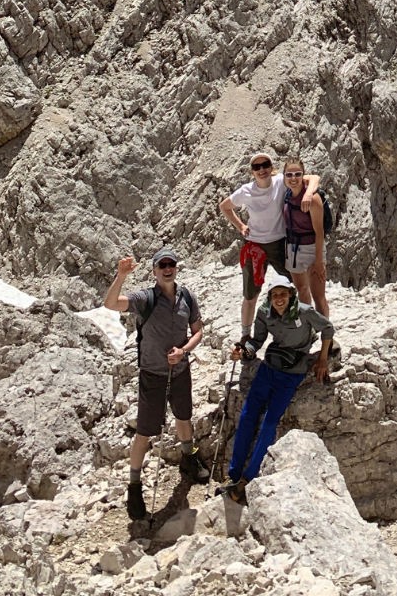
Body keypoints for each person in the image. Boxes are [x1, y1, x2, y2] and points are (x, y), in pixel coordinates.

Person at [103, 249, 209, 520]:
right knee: (145, 431)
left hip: (180, 370)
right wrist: (121, 276)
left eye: (171, 264)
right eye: (162, 265)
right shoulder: (144, 298)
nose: (167, 268)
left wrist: (183, 351)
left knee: (184, 417)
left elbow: (198, 331)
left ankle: (188, 458)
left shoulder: (187, 297)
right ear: (154, 271)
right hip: (153, 373)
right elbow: (111, 304)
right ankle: (135, 486)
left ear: (176, 268)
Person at [220, 272, 334, 503]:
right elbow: (258, 340)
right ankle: (233, 474)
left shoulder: (303, 311)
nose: (279, 299)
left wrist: (322, 358)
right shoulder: (264, 313)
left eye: (283, 294)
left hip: (292, 373)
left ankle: (247, 479)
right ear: (270, 297)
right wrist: (245, 351)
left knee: (270, 422)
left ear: (290, 295)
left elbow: (328, 329)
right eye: (275, 295)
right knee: (248, 415)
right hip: (269, 368)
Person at [219, 151, 319, 338]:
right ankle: (246, 335)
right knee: (250, 295)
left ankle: (306, 327)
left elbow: (313, 177)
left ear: (271, 168)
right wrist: (240, 225)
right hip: (255, 246)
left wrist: (309, 193)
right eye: (256, 167)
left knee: (300, 286)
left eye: (265, 165)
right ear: (252, 172)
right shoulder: (246, 191)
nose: (261, 170)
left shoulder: (282, 181)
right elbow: (225, 206)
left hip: (280, 244)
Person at [281, 157, 329, 316]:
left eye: (297, 174)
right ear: (284, 177)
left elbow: (319, 232)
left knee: (318, 296)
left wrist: (319, 261)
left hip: (311, 248)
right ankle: (307, 331)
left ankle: (326, 336)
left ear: (303, 175)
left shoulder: (313, 199)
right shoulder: (287, 193)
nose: (293, 178)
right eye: (289, 175)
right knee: (302, 291)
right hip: (292, 249)